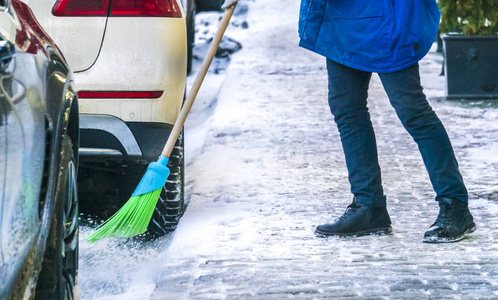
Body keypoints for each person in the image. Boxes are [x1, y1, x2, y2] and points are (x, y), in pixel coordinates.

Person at [298, 0, 476, 243]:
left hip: (389, 17)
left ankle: (455, 204)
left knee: (413, 111)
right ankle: (368, 206)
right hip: (343, 20)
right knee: (347, 108)